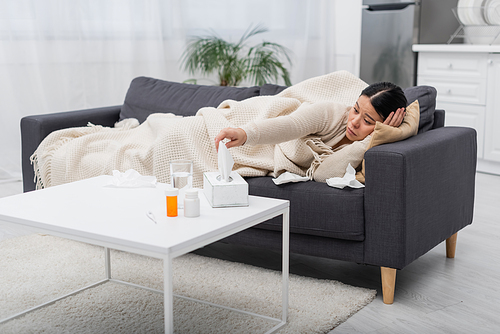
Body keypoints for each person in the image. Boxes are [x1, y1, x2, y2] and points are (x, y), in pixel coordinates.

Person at [214, 81, 407, 181]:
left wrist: (372, 139)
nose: (354, 121)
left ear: (384, 126)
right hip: (255, 127)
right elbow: (291, 124)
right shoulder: (333, 113)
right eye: (355, 109)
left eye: (367, 120)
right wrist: (245, 133)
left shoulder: (369, 145)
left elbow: (322, 175)